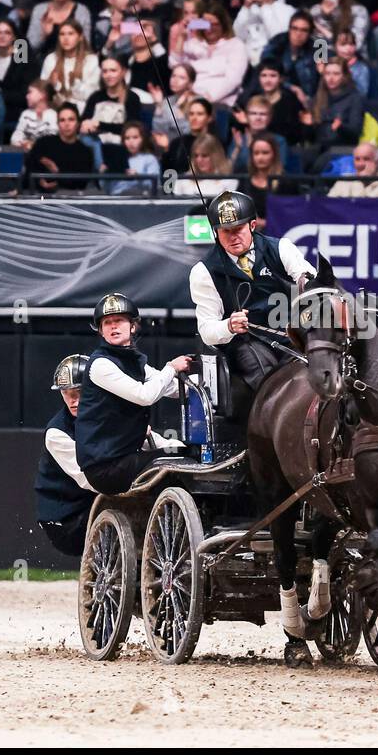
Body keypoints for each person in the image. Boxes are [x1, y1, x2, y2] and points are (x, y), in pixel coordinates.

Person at [188, 190, 315, 391]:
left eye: (238, 229)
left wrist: (306, 286)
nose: (233, 237)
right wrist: (228, 326)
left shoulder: (281, 248)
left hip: (290, 332)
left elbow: (309, 280)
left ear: (252, 225)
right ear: (215, 233)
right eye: (225, 231)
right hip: (246, 341)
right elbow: (206, 330)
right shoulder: (203, 271)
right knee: (265, 373)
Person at [74, 295, 193, 496]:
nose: (113, 326)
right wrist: (171, 367)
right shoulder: (101, 365)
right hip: (106, 467)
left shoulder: (132, 361)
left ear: (132, 326)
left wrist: (202, 384)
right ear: (101, 332)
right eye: (107, 323)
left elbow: (171, 388)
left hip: (125, 457)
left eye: (119, 320)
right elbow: (145, 395)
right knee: (180, 459)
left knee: (185, 454)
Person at [34, 354, 99, 556]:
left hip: (88, 506)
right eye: (66, 393)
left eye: (79, 391)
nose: (73, 400)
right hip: (65, 521)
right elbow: (88, 478)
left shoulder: (105, 417)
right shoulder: (56, 433)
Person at [27, 104, 96, 193]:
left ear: (78, 123)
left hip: (71, 198)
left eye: (71, 119)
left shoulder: (85, 152)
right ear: (58, 124)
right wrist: (39, 181)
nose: (67, 124)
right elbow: (29, 169)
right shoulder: (43, 143)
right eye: (62, 120)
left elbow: (81, 182)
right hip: (39, 195)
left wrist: (56, 171)